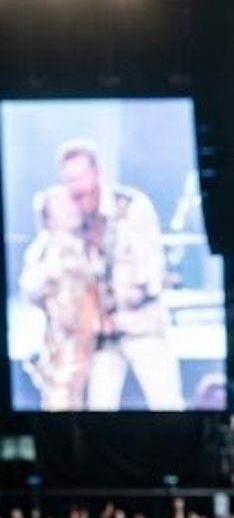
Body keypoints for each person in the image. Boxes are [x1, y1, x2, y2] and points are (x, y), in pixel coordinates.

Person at [57, 139, 184, 412]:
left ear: (97, 174)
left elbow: (152, 270)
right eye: (70, 180)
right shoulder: (70, 218)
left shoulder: (132, 207)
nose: (76, 188)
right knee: (97, 412)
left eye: (80, 178)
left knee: (167, 404)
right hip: (101, 338)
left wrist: (123, 299)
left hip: (143, 327)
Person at [17, 183, 99, 410]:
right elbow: (30, 289)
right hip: (60, 347)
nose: (71, 209)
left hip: (88, 343)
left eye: (71, 204)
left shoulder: (84, 245)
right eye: (62, 207)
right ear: (49, 219)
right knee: (63, 406)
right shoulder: (45, 249)